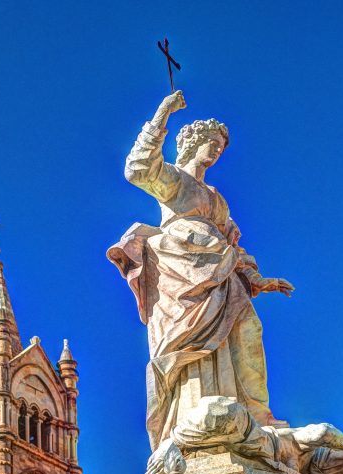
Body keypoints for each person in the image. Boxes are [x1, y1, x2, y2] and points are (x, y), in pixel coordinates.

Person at [109, 90, 293, 450]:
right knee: (192, 349)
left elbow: (233, 249)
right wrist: (163, 112)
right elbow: (138, 169)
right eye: (212, 142)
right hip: (184, 276)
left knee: (249, 330)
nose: (218, 150)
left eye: (221, 145)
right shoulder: (176, 180)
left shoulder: (217, 199)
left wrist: (260, 280)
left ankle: (257, 414)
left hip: (222, 274)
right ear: (192, 142)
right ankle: (199, 418)